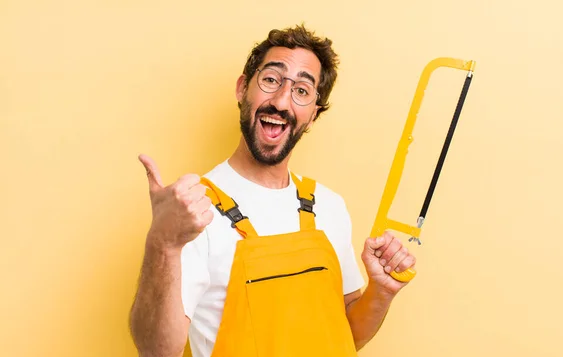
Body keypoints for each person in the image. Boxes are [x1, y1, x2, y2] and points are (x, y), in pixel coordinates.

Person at [129, 24, 416, 357]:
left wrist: (382, 291)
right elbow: (156, 351)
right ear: (242, 88)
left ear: (313, 115)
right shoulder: (193, 210)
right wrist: (162, 243)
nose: (281, 101)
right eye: (270, 80)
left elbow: (346, 333)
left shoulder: (329, 206)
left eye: (302, 91)